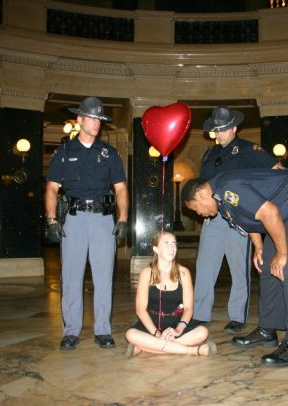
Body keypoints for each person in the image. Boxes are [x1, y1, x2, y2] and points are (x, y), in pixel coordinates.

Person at [182, 168, 288, 367]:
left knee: (287, 268)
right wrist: (259, 247)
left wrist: (283, 254)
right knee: (267, 265)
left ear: (201, 195)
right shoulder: (221, 198)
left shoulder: (227, 188)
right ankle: (267, 330)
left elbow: (270, 212)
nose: (198, 214)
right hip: (287, 211)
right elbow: (249, 218)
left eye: (195, 208)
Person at [45, 96, 129, 350]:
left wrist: (123, 217)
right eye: (91, 118)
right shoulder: (64, 153)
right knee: (71, 277)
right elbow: (51, 188)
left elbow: (121, 189)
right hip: (74, 220)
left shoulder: (109, 154)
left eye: (99, 119)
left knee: (104, 277)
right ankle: (71, 331)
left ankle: (103, 330)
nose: (96, 123)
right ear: (79, 119)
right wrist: (51, 220)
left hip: (104, 220)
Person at [194, 106, 279, 335]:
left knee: (239, 269)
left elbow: (277, 170)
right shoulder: (210, 154)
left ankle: (237, 317)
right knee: (204, 267)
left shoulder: (250, 149)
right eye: (215, 131)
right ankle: (200, 315)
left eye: (222, 130)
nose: (218, 135)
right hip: (213, 218)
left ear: (234, 128)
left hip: (239, 218)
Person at [125, 231, 216, 357]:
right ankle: (194, 351)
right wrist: (156, 333)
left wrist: (178, 329)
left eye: (174, 243)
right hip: (152, 323)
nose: (172, 247)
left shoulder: (184, 273)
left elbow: (189, 308)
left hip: (176, 322)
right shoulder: (146, 273)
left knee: (202, 332)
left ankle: (146, 346)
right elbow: (140, 310)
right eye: (166, 243)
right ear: (156, 249)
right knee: (130, 334)